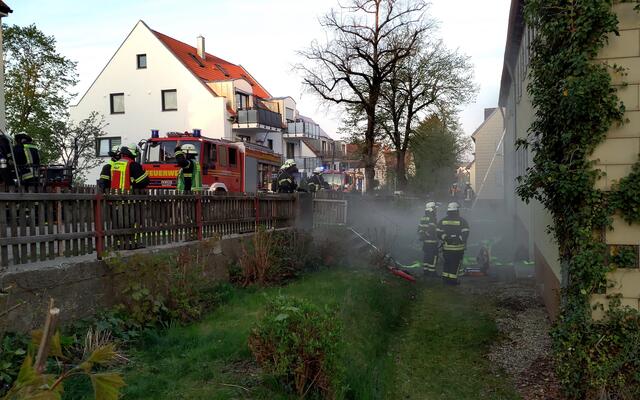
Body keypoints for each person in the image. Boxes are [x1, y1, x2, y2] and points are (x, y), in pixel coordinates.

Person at [437, 202, 470, 285]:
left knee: (447, 263)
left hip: (446, 248)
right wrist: (458, 239)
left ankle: (445, 279)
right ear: (457, 210)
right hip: (457, 248)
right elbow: (465, 233)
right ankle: (452, 281)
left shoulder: (443, 221)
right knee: (455, 264)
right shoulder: (462, 221)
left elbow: (438, 232)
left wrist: (445, 237)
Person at [418, 201, 439, 276]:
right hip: (432, 241)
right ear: (431, 209)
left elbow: (419, 229)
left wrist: (423, 235)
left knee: (427, 256)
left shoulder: (423, 218)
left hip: (425, 242)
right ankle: (432, 272)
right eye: (435, 209)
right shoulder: (432, 218)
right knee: (433, 256)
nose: (436, 210)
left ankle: (426, 271)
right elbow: (433, 229)